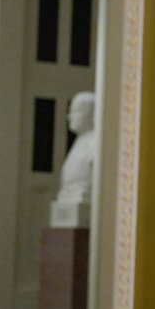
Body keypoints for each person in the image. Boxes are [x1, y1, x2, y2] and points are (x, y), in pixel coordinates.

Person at [50, 90, 96, 228]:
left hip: (83, 194)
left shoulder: (97, 145)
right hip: (70, 195)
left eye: (76, 111)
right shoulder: (78, 143)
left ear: (92, 115)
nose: (70, 117)